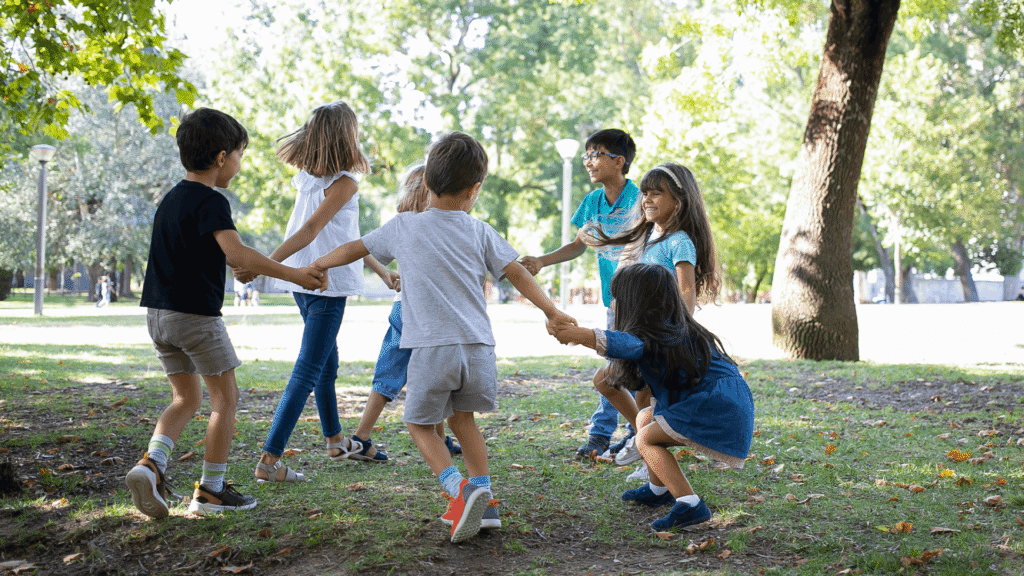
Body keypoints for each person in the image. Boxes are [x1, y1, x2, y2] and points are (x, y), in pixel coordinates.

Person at [311, 132, 576, 542]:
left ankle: (460, 490)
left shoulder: (404, 226)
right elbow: (518, 272)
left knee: (418, 423)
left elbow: (354, 248)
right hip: (479, 349)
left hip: (433, 349)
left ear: (426, 184)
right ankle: (485, 502)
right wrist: (552, 311)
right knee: (464, 422)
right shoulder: (480, 230)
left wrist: (319, 264)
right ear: (475, 190)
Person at [125, 107, 325, 519]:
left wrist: (246, 266)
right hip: (196, 318)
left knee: (185, 397)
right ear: (221, 158)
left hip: (158, 317)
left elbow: (212, 257)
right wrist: (296, 274)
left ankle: (152, 464)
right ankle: (211, 490)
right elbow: (237, 254)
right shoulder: (212, 201)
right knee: (225, 400)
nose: (239, 163)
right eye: (239, 155)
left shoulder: (170, 200)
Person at [231, 101, 398, 484]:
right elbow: (308, 232)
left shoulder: (308, 178)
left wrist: (382, 270)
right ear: (347, 137)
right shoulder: (344, 183)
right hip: (325, 283)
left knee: (327, 363)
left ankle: (335, 440)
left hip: (303, 282)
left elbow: (349, 237)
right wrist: (260, 264)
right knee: (308, 369)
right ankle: (269, 460)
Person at [551, 263, 753, 531]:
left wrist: (577, 335)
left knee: (645, 438)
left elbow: (623, 343)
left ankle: (690, 505)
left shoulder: (655, 337)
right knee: (645, 418)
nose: (613, 305)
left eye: (617, 298)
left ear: (636, 304)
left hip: (715, 407)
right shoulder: (673, 329)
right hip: (720, 402)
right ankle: (658, 490)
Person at [580, 163, 721, 469]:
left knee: (643, 398)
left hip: (660, 337)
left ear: (679, 202)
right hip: (636, 333)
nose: (647, 199)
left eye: (657, 193)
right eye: (645, 192)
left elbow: (686, 291)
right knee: (608, 383)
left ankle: (649, 455)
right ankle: (641, 439)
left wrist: (678, 331)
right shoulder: (647, 239)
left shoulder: (680, 241)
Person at [520, 128, 640, 460]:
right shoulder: (592, 202)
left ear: (619, 161)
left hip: (641, 303)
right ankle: (631, 431)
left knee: (619, 369)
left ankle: (607, 434)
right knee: (617, 367)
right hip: (613, 303)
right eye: (586, 155)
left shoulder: (640, 199)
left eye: (595, 154)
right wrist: (542, 261)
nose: (588, 161)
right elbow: (577, 246)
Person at [345, 164, 462, 464]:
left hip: (404, 309)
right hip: (424, 313)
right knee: (428, 375)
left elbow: (363, 246)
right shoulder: (440, 225)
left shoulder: (402, 224)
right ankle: (362, 438)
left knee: (398, 375)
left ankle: (365, 437)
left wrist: (388, 272)